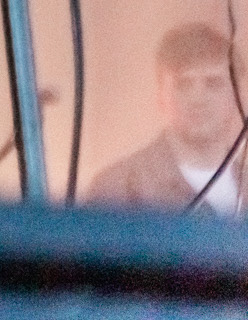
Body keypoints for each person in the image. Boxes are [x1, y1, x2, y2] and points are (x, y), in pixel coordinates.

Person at [87, 23, 245, 214]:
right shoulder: (118, 189)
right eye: (183, 84)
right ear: (161, 96)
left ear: (238, 96)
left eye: (214, 83)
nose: (198, 99)